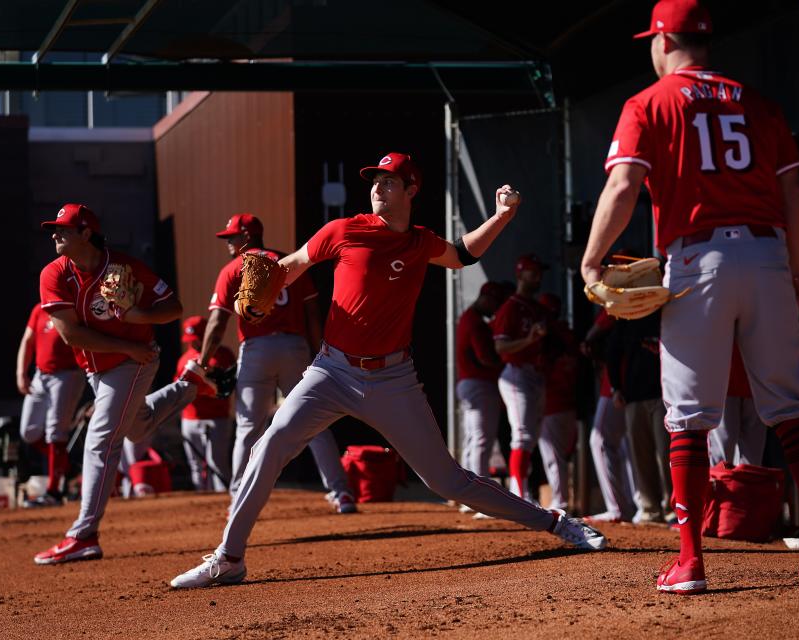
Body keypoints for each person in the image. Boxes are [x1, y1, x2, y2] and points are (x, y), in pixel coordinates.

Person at [170, 152, 606, 588]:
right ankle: (229, 558)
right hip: (331, 370)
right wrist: (269, 283)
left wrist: (502, 216)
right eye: (375, 180)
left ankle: (555, 521)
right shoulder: (344, 230)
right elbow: (295, 263)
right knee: (270, 445)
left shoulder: (419, 242)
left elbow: (461, 254)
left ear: (411, 190)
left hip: (393, 379)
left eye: (390, 181)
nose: (378, 187)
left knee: (447, 480)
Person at [580, 0, 799, 592]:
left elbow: (625, 185)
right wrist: (797, 268)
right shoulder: (757, 102)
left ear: (662, 41)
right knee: (789, 405)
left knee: (689, 418)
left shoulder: (648, 102)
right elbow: (794, 194)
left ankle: (690, 561)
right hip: (767, 254)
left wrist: (592, 258)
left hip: (697, 258)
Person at [33, 203, 213, 565]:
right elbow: (71, 335)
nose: (55, 234)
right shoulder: (54, 274)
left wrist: (138, 316)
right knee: (137, 426)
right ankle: (189, 385)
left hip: (134, 363)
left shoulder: (126, 267)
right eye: (54, 229)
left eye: (63, 229)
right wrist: (125, 342)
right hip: (107, 363)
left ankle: (84, 535)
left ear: (86, 233)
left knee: (100, 441)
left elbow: (174, 307)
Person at [198, 212, 357, 513]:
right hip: (294, 347)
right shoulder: (290, 262)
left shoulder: (234, 268)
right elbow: (312, 315)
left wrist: (202, 362)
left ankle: (237, 499)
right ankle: (341, 493)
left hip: (257, 349)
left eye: (232, 237)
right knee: (314, 421)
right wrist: (320, 353)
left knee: (248, 426)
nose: (229, 242)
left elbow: (218, 321)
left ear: (247, 237)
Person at [16, 301, 87, 506]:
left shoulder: (75, 308)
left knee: (56, 432)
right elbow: (27, 341)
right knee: (29, 431)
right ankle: (64, 465)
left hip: (67, 374)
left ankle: (54, 491)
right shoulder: (39, 309)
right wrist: (21, 372)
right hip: (41, 374)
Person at [493, 254, 550, 502]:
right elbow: (501, 348)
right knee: (523, 435)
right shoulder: (511, 307)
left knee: (532, 438)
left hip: (534, 373)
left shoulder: (536, 307)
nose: (538, 277)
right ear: (520, 274)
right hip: (516, 373)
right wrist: (529, 341)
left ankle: (524, 491)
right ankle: (520, 495)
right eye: (532, 272)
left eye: (539, 272)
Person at [606, 309, 671, 524]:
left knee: (666, 453)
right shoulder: (627, 314)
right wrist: (616, 387)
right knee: (640, 455)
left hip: (665, 394)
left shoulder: (667, 310)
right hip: (634, 395)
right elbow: (613, 351)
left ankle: (672, 508)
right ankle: (650, 508)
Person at [582, 309, 638, 523]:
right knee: (628, 445)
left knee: (600, 440)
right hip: (635, 377)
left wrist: (589, 338)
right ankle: (636, 504)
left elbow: (595, 335)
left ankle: (618, 508)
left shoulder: (618, 298)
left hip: (619, 377)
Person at [455, 281, 505, 516]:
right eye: (495, 303)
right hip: (479, 383)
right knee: (481, 441)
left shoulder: (470, 318)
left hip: (470, 383)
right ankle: (480, 499)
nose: (495, 309)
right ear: (486, 298)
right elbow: (485, 358)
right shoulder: (475, 322)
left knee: (474, 440)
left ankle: (468, 496)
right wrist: (506, 362)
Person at [177, 315, 236, 492]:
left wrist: (206, 379)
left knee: (217, 464)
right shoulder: (184, 358)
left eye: (196, 339)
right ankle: (202, 507)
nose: (193, 344)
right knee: (196, 466)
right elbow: (179, 390)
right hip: (190, 418)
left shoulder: (223, 354)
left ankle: (224, 502)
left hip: (216, 417)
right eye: (190, 340)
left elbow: (227, 386)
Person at [537, 293, 580, 512]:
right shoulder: (567, 334)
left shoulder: (547, 338)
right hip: (569, 403)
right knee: (561, 456)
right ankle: (561, 499)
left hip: (553, 402)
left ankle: (561, 501)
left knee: (554, 457)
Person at [708, 344, 766, 466]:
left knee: (753, 462)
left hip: (756, 385)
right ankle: (720, 485)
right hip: (724, 386)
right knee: (722, 458)